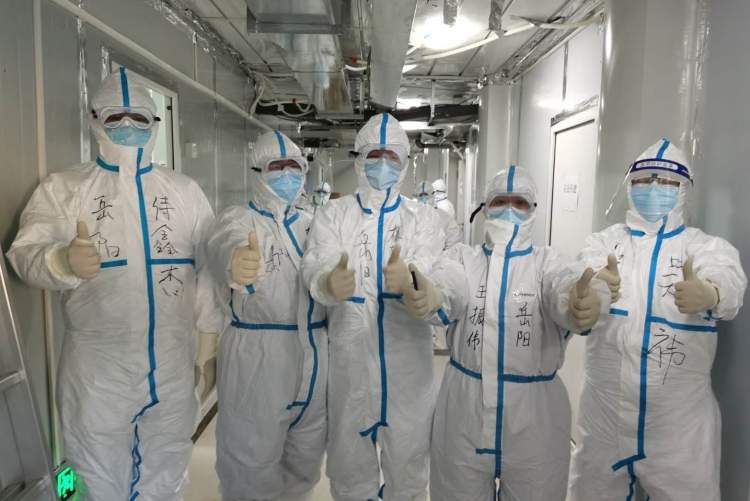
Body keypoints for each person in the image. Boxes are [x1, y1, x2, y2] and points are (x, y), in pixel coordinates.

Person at [7, 67, 222, 500]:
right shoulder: (66, 189)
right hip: (98, 371)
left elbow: (206, 270)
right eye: (114, 116)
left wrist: (209, 340)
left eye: (138, 117)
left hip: (172, 363)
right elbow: (24, 253)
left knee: (166, 471)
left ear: (154, 124)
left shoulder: (184, 192)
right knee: (96, 473)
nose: (127, 125)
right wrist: (59, 259)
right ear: (94, 121)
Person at [566, 139, 747, 501]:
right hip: (604, 420)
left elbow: (729, 279)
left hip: (679, 428)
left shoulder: (703, 247)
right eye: (643, 180)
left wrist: (711, 293)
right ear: (629, 186)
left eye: (666, 181)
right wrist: (592, 292)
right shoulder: (605, 243)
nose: (653, 188)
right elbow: (583, 275)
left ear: (684, 190)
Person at [301, 113, 462, 500]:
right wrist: (326, 281)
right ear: (359, 159)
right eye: (375, 154)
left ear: (405, 162)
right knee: (349, 472)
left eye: (392, 156)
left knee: (409, 471)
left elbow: (447, 273)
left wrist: (426, 291)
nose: (383, 163)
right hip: (349, 369)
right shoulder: (333, 214)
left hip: (409, 374)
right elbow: (317, 260)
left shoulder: (425, 220)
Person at [429, 165, 607, 501]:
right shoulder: (463, 258)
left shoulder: (547, 262)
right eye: (500, 201)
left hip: (535, 418)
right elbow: (447, 285)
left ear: (533, 210)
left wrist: (581, 302)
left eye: (520, 203)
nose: (509, 209)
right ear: (485, 207)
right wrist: (432, 295)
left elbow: (563, 285)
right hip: (464, 410)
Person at [206, 129, 327, 501]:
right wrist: (235, 261)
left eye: (294, 166)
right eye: (277, 166)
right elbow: (222, 244)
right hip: (258, 354)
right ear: (257, 172)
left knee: (305, 456)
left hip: (316, 349)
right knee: (250, 458)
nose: (287, 174)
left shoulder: (315, 222)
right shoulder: (239, 220)